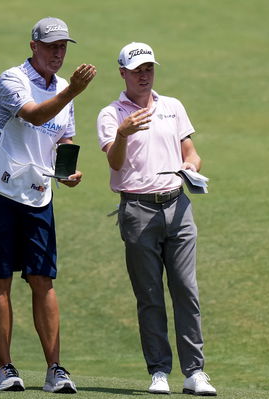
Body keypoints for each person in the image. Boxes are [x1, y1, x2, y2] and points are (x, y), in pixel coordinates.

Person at [0, 17, 96, 393]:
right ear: (34, 46)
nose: (58, 53)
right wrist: (72, 91)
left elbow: (64, 137)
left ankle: (55, 369)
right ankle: (6, 369)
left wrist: (68, 171)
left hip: (39, 191)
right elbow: (34, 115)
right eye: (51, 46)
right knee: (0, 277)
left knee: (43, 279)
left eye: (63, 47)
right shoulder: (13, 79)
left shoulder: (62, 88)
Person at [96, 42, 216, 396]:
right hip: (137, 209)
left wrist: (191, 168)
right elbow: (114, 163)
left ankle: (195, 373)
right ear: (123, 73)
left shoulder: (172, 107)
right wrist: (123, 134)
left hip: (178, 206)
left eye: (149, 68)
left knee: (186, 291)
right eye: (137, 70)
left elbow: (191, 153)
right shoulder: (111, 114)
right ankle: (159, 371)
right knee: (149, 295)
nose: (144, 75)